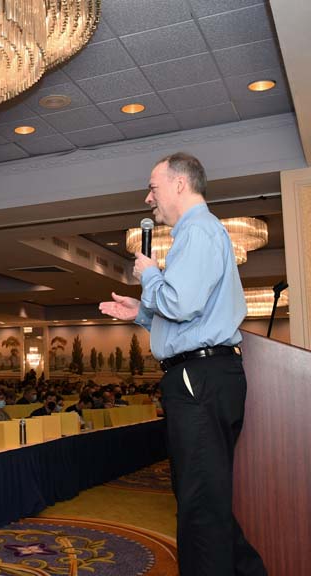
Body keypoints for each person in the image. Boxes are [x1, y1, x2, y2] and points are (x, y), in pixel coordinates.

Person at [99, 152, 266, 576]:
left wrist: (151, 274)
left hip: (199, 377)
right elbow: (187, 314)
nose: (147, 198)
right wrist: (140, 311)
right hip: (205, 375)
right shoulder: (201, 232)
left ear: (179, 185)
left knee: (200, 505)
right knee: (203, 497)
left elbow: (182, 304)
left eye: (153, 187)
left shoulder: (198, 230)